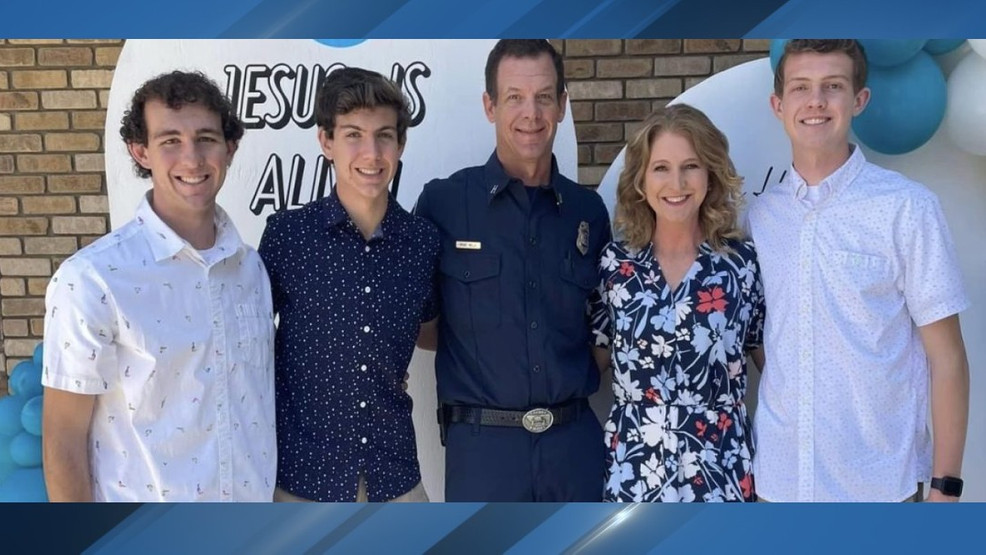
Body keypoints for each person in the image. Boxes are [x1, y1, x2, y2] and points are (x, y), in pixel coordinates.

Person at [749, 39, 971, 502]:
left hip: (878, 485)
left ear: (859, 100)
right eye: (800, 88)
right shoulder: (762, 218)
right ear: (777, 104)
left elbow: (947, 358)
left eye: (832, 86)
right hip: (780, 481)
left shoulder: (907, 209)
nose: (815, 101)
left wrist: (946, 487)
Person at [41, 71, 276, 502]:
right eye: (170, 141)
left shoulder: (251, 270)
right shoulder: (92, 279)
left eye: (206, 138)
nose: (192, 159)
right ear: (140, 151)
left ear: (230, 148)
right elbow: (62, 441)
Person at [414, 39, 611, 502]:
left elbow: (603, 327)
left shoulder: (588, 212)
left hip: (574, 446)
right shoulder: (443, 204)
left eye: (544, 97)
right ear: (490, 105)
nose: (531, 114)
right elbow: (424, 328)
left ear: (563, 105)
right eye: (515, 97)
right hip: (484, 454)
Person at [258, 67, 438, 502]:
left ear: (401, 143)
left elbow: (432, 332)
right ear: (326, 142)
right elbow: (251, 344)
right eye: (353, 135)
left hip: (394, 476)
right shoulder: (287, 236)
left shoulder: (421, 242)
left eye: (384, 136)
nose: (371, 153)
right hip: (302, 479)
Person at [590, 104, 764, 502]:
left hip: (721, 467)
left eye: (691, 166)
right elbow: (588, 364)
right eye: (661, 168)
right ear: (641, 180)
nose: (677, 182)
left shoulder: (741, 266)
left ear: (710, 174)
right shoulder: (616, 267)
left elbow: (774, 366)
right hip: (635, 469)